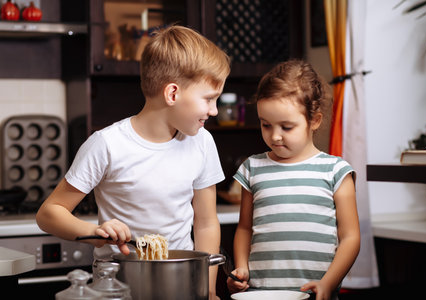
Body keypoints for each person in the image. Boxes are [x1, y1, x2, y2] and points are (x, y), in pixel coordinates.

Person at [36, 25, 230, 299]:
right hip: (119, 282)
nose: (214, 110)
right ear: (172, 94)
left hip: (182, 279)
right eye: (209, 99)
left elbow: (207, 222)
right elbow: (49, 213)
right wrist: (94, 232)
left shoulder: (202, 142)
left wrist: (208, 289)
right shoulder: (107, 144)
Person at [226, 60, 360, 300]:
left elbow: (350, 237)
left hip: (315, 294)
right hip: (261, 293)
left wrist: (328, 284)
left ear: (315, 121)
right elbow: (245, 228)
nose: (274, 136)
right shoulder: (252, 168)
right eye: (266, 125)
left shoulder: (335, 171)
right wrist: (241, 268)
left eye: (286, 127)